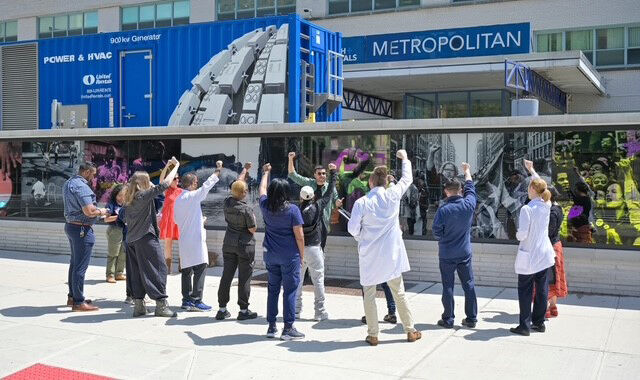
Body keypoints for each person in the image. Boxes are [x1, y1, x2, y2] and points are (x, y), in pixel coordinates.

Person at [347, 149, 421, 346]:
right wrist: (405, 158)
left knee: (369, 295)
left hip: (369, 255)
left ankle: (373, 334)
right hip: (391, 255)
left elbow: (352, 228)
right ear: (385, 182)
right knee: (399, 292)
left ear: (371, 182)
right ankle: (410, 330)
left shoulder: (362, 202)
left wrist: (361, 236)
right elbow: (407, 179)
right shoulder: (393, 195)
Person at [124, 157, 180, 318]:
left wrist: (167, 166)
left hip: (132, 241)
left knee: (137, 273)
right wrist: (175, 166)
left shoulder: (130, 198)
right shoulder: (143, 196)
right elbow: (165, 184)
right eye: (148, 180)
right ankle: (161, 305)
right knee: (158, 269)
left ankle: (139, 306)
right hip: (145, 238)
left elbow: (160, 183)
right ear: (143, 183)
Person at [260, 163, 306, 341]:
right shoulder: (293, 210)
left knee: (272, 290)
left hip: (270, 254)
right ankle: (288, 328)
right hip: (290, 256)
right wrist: (301, 255)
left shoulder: (265, 206)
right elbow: (300, 237)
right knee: (290, 291)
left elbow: (263, 188)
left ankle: (272, 327)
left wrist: (266, 173)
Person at [432, 162, 478, 329]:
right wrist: (467, 171)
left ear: (446, 192)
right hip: (464, 252)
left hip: (446, 254)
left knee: (448, 286)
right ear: (460, 191)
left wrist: (445, 238)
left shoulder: (443, 210)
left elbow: (436, 232)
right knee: (469, 285)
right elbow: (471, 188)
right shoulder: (468, 205)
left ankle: (448, 319)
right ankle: (471, 319)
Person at [510, 165, 555, 336]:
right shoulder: (546, 205)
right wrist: (532, 170)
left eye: (530, 186)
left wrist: (516, 233)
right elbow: (545, 187)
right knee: (542, 288)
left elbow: (522, 235)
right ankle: (539, 322)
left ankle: (524, 325)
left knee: (525, 290)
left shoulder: (527, 209)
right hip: (544, 254)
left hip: (529, 255)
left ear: (532, 189)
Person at [524, 160, 568, 318]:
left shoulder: (550, 210)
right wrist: (531, 170)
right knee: (554, 278)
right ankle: (553, 306)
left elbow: (548, 232)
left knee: (548, 279)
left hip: (549, 247)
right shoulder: (556, 207)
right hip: (556, 245)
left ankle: (548, 309)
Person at [294, 162, 338, 321]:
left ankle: (296, 311)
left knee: (297, 280)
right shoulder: (318, 206)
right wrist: (333, 174)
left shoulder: (295, 211)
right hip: (314, 248)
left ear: (301, 197)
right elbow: (329, 193)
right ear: (312, 196)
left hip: (298, 249)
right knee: (318, 280)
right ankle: (319, 312)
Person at [62, 162, 108, 312]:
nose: (93, 177)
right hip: (82, 228)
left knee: (74, 264)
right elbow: (89, 211)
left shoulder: (69, 183)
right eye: (93, 174)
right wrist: (101, 211)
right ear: (87, 172)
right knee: (80, 267)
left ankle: (73, 297)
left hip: (71, 226)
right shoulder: (82, 186)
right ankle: (79, 302)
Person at [173, 169, 220, 312]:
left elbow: (177, 219)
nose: (197, 184)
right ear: (193, 183)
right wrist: (217, 171)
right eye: (196, 182)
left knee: (186, 270)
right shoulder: (193, 196)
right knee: (201, 267)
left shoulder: (178, 199)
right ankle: (196, 300)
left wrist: (199, 221)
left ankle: (186, 300)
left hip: (184, 239)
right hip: (195, 240)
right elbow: (206, 186)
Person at [217, 163, 259, 321]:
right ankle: (243, 310)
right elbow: (252, 229)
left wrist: (245, 171)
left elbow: (237, 184)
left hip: (229, 244)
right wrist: (254, 217)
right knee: (244, 278)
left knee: (226, 276)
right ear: (244, 193)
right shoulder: (247, 209)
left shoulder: (227, 202)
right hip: (244, 246)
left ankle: (222, 309)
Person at [288, 152, 340, 249]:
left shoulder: (330, 187)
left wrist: (338, 203)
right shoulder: (309, 183)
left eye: (324, 173)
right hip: (309, 224)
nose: (322, 175)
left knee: (321, 250)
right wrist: (291, 159)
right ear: (314, 175)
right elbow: (293, 175)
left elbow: (336, 201)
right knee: (307, 248)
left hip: (324, 223)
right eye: (319, 173)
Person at [159, 163, 183, 273]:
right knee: (168, 244)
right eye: (174, 178)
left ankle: (182, 265)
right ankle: (168, 268)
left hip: (178, 219)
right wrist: (168, 165)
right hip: (168, 220)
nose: (177, 180)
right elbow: (161, 179)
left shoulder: (181, 191)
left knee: (182, 242)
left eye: (178, 178)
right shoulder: (166, 190)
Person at [104, 184, 127, 284]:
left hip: (125, 230)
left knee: (123, 253)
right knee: (113, 253)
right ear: (115, 195)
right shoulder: (111, 205)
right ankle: (110, 275)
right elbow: (106, 219)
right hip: (114, 230)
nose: (122, 198)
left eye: (124, 195)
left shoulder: (127, 204)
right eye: (119, 195)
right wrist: (119, 217)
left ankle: (119, 273)